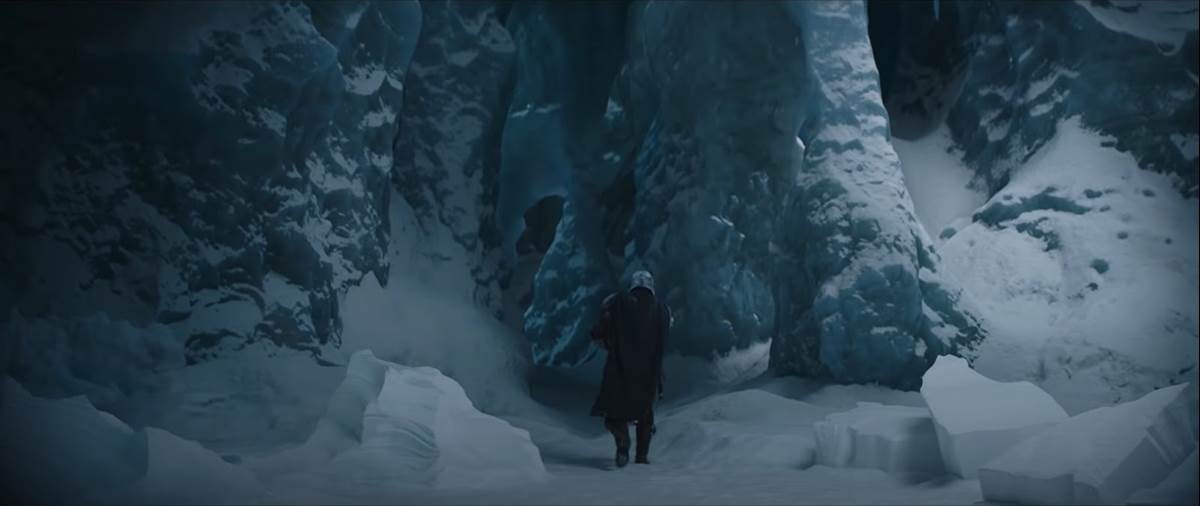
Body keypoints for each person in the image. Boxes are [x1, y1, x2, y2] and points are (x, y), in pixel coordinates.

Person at [589, 270, 671, 468]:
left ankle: (623, 441)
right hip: (648, 373)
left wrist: (605, 338)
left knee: (613, 415)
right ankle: (641, 457)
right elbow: (664, 339)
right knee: (645, 416)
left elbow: (598, 331)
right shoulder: (662, 309)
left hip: (619, 370)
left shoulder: (616, 302)